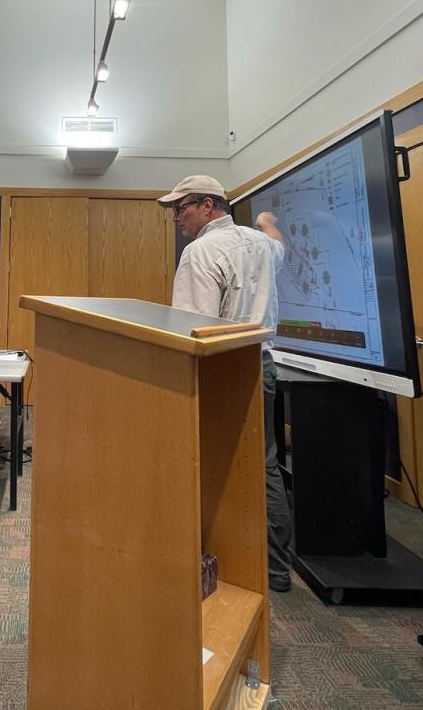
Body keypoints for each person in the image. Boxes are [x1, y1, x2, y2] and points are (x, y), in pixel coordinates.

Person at [158, 175, 294, 592]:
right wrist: (269, 221)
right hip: (262, 364)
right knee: (263, 462)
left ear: (207, 205)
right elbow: (280, 245)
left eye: (181, 208)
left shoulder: (200, 252)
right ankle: (272, 571)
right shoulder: (263, 246)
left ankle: (219, 560)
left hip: (219, 370)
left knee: (209, 462)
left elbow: (190, 329)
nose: (177, 218)